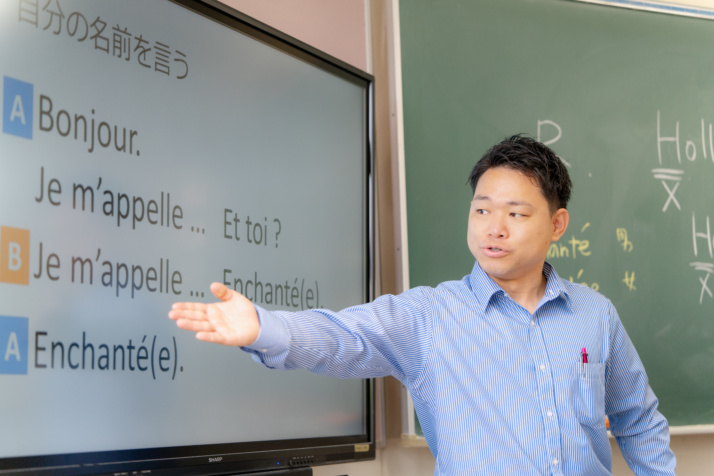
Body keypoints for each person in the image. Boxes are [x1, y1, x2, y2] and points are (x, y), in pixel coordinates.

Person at [169, 135, 676, 475]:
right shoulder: (431, 316)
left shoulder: (595, 315)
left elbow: (637, 418)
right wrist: (262, 326)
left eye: (515, 213)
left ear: (557, 225)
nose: (493, 228)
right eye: (481, 210)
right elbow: (347, 336)